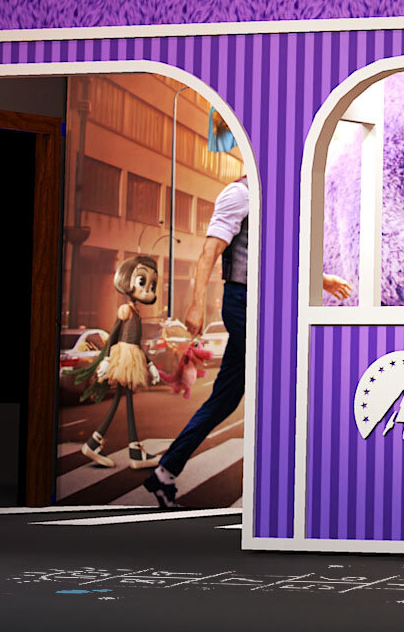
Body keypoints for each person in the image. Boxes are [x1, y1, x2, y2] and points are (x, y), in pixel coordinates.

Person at [143, 150, 354, 506]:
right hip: (243, 303)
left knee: (224, 399)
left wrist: (322, 279)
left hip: (264, 304)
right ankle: (296, 487)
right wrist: (195, 304)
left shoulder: (275, 200)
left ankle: (163, 474)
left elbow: (276, 258)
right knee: (285, 383)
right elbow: (209, 252)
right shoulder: (239, 194)